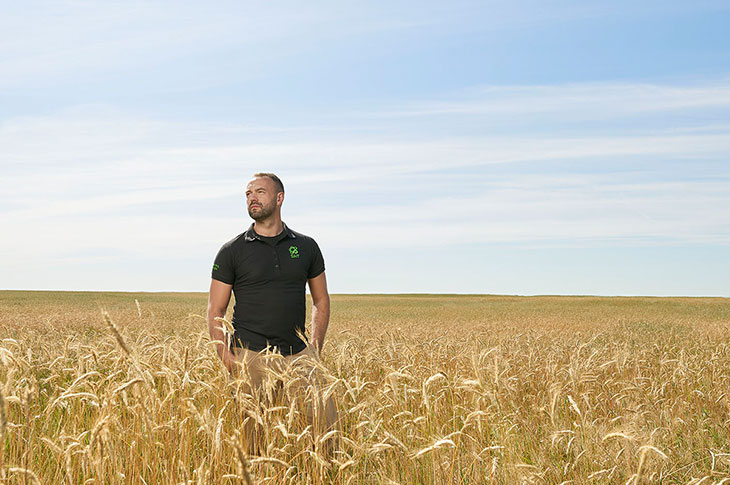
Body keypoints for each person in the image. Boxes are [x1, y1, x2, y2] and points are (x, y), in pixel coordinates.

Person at [206, 172, 336, 446]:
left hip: (298, 355)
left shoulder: (306, 246)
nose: (252, 197)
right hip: (250, 355)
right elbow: (215, 309)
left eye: (260, 192)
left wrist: (314, 347)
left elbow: (321, 301)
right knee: (252, 443)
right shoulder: (232, 251)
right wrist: (226, 357)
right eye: (248, 193)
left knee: (327, 432)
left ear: (279, 198)